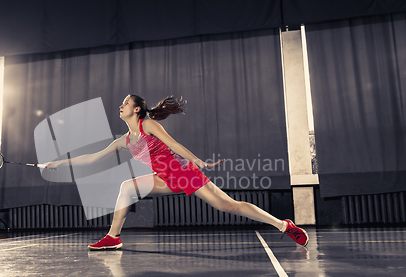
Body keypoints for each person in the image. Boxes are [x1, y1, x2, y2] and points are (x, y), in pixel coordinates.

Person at [45, 95, 309, 249]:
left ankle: (283, 225)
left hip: (181, 173)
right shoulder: (125, 140)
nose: (121, 106)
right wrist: (60, 163)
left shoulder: (148, 124)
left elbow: (174, 145)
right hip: (163, 178)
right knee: (127, 187)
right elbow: (92, 158)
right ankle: (113, 238)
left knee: (229, 206)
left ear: (137, 109)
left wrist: (198, 161)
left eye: (125, 103)